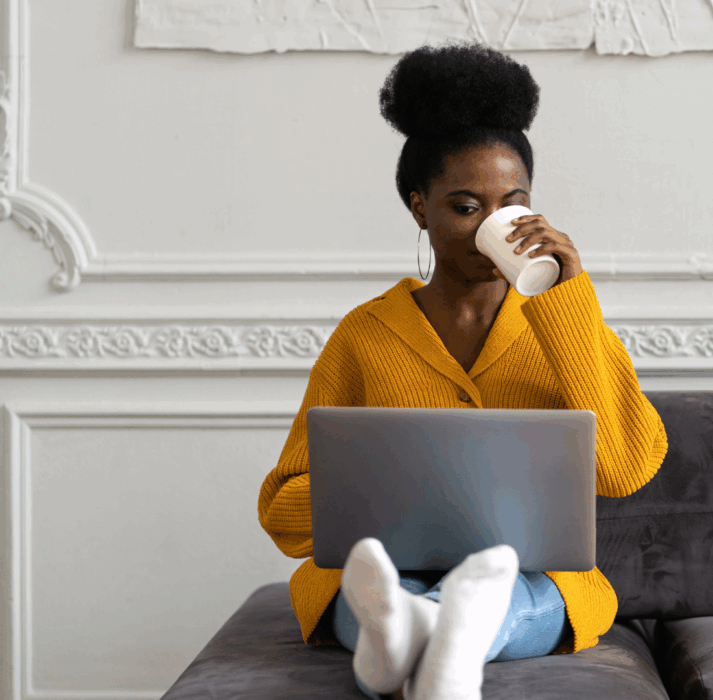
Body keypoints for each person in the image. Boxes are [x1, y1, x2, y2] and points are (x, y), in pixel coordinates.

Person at [257, 42, 667, 700]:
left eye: (513, 204)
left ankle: (421, 638)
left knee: (508, 593)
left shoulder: (568, 324)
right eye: (467, 206)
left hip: (525, 576)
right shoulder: (366, 335)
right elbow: (283, 514)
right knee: (380, 594)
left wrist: (567, 300)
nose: (491, 226)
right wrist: (388, 490)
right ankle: (433, 632)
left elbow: (622, 469)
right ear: (420, 207)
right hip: (389, 571)